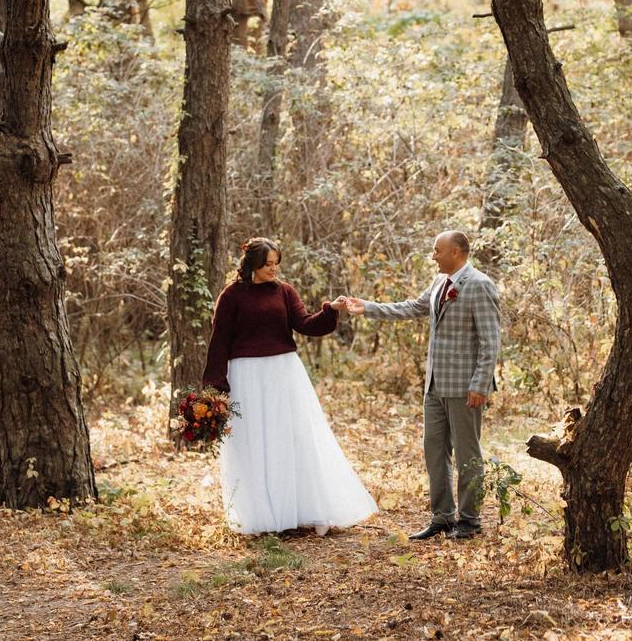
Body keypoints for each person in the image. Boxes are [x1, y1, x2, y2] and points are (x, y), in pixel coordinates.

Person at [202, 237, 377, 537]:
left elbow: (307, 324)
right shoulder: (231, 296)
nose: (273, 269)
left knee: (293, 437)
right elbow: (220, 339)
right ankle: (262, 516)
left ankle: (302, 508)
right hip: (247, 374)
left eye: (276, 263)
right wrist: (215, 384)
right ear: (252, 265)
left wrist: (330, 310)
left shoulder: (284, 292)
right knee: (255, 441)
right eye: (267, 264)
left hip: (283, 372)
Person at [335, 230, 500, 541]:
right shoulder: (440, 283)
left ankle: (470, 520)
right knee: (434, 451)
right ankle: (442, 516)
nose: (433, 255)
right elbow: (411, 307)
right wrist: (367, 307)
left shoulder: (479, 285)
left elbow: (490, 342)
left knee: (468, 454)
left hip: (466, 388)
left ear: (457, 252)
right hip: (435, 385)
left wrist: (480, 384)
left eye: (438, 250)